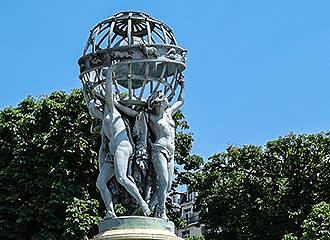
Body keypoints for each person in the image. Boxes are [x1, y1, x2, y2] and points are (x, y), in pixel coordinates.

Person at [82, 68, 151, 219]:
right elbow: (88, 99)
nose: (90, 109)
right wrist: (85, 84)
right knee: (100, 183)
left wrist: (109, 74)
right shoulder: (102, 121)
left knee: (122, 177)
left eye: (92, 107)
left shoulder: (110, 111)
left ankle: (142, 203)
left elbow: (108, 91)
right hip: (112, 154)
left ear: (98, 106)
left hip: (123, 147)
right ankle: (110, 212)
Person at [115, 76, 184, 219]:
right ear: (156, 102)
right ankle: (162, 211)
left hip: (172, 152)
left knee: (168, 186)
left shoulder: (169, 114)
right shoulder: (150, 117)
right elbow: (133, 114)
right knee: (163, 181)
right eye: (162, 97)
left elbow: (181, 101)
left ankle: (151, 209)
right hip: (159, 150)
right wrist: (117, 104)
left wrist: (182, 86)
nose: (165, 99)